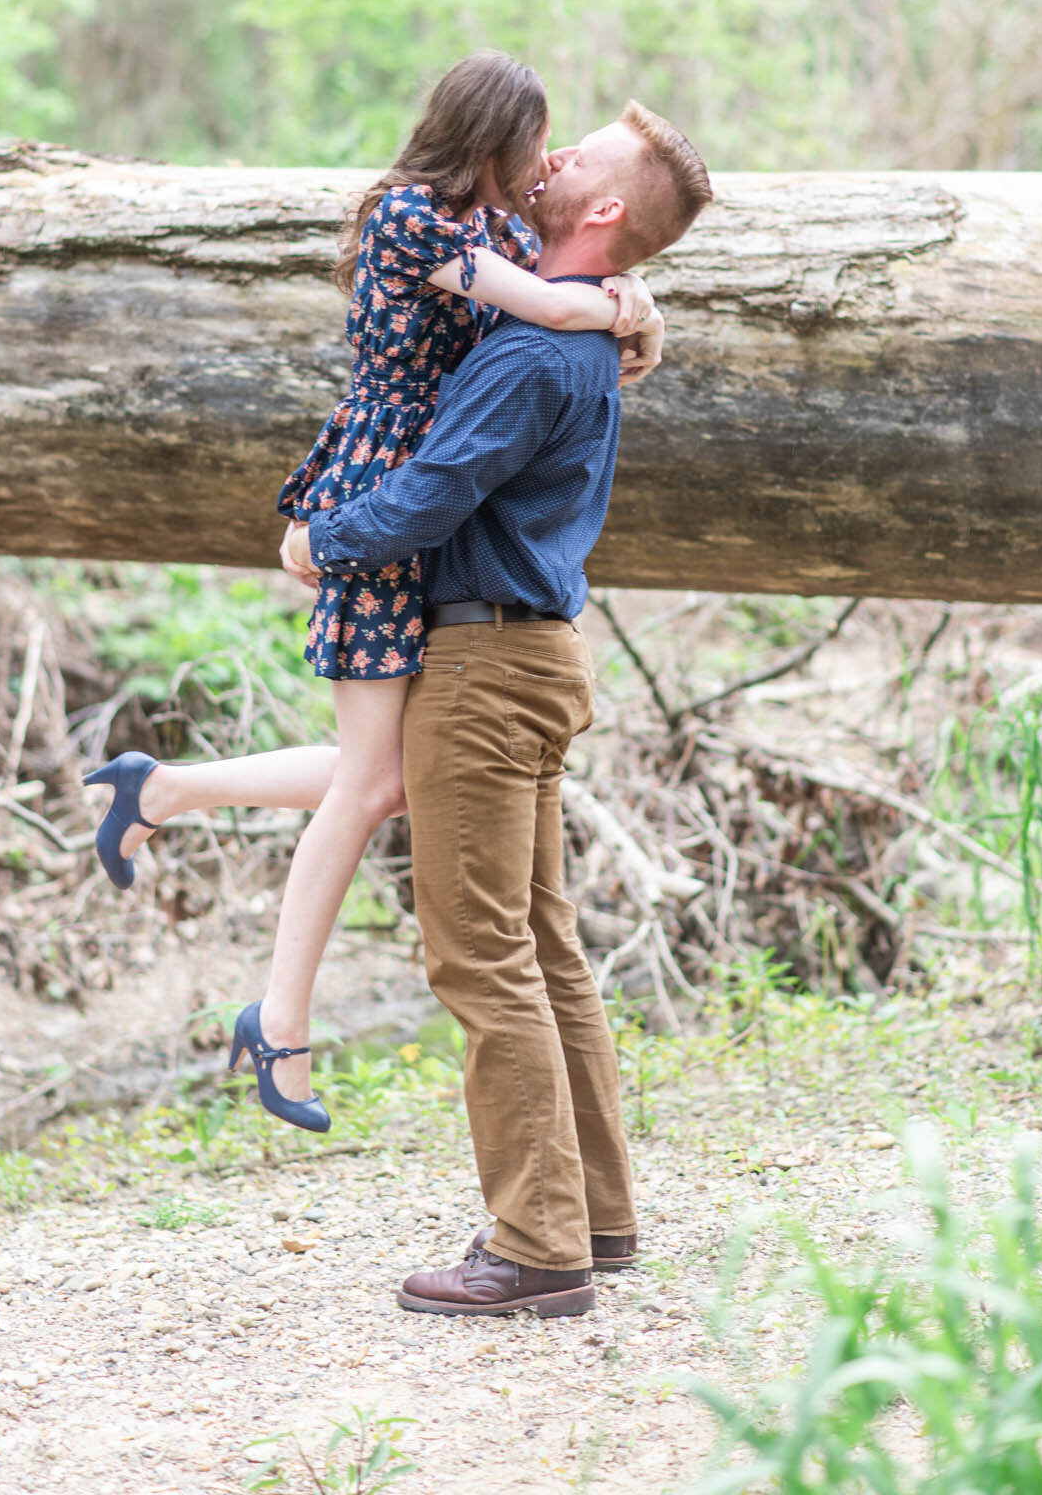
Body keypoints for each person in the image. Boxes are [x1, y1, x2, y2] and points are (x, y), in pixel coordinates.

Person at [82, 51, 662, 1132]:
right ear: (491, 140)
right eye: (538, 144)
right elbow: (545, 300)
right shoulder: (409, 217)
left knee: (376, 774)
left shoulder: (488, 226)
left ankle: (162, 798)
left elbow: (557, 283)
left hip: (415, 486)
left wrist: (633, 298)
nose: (547, 164)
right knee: (370, 782)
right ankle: (279, 1017)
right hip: (380, 487)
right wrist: (620, 305)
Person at [283, 101, 713, 1316]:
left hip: (480, 669)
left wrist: (317, 539)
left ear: (607, 211)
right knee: (545, 946)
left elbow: (426, 495)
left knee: (481, 955)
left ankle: (535, 1246)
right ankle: (599, 1218)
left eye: (572, 158)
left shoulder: (533, 352)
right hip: (537, 655)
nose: (549, 159)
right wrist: (632, 303)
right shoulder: (567, 328)